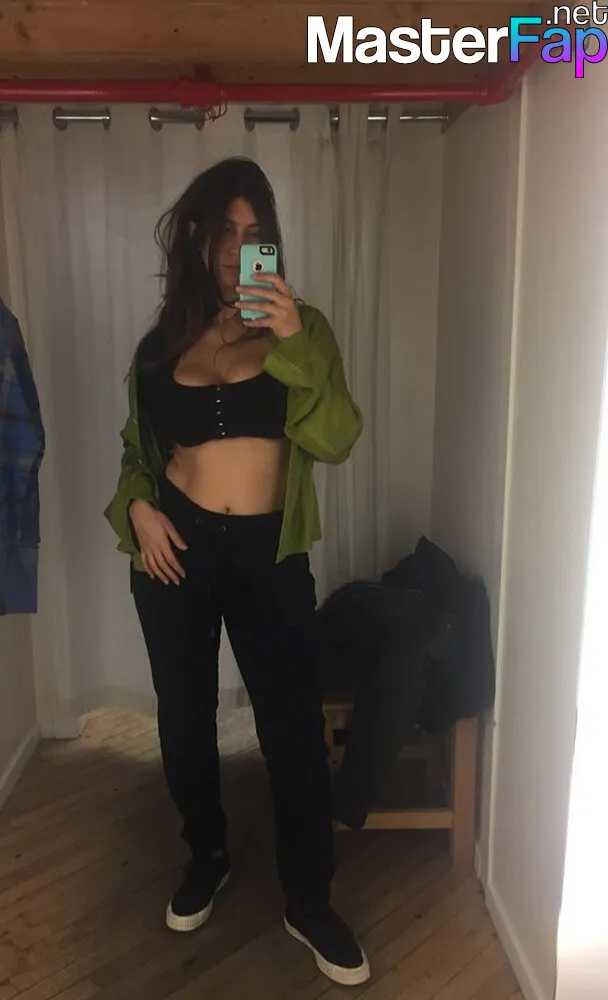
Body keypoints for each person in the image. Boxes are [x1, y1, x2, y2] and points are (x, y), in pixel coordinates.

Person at [104, 156, 368, 986]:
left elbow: (337, 437)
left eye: (255, 233)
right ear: (195, 236)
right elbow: (138, 454)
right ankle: (207, 855)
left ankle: (309, 900)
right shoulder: (160, 347)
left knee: (290, 727)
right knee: (184, 719)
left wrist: (291, 340)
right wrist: (138, 508)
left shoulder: (303, 329)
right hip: (174, 551)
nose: (237, 247)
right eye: (224, 229)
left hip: (267, 556)